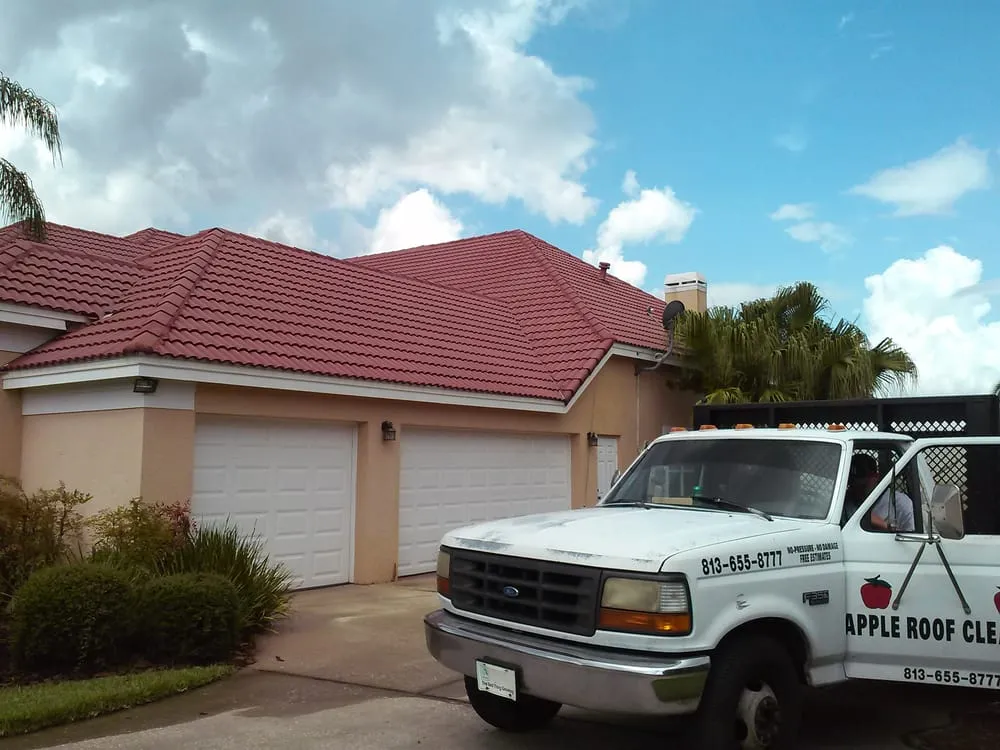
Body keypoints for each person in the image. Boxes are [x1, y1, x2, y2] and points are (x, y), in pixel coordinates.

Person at [845, 453, 915, 532]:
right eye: (852, 485)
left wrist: (879, 523)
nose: (857, 490)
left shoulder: (899, 502)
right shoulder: (846, 503)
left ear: (876, 477)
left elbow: (911, 535)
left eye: (863, 486)